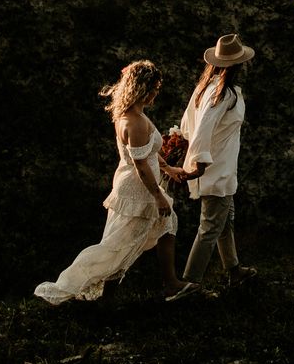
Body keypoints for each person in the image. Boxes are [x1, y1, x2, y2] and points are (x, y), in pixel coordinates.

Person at [34, 59, 190, 304]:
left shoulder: (134, 115)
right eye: (155, 88)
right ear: (144, 89)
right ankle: (69, 287)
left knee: (160, 228)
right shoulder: (134, 122)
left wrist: (168, 168)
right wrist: (158, 195)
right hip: (137, 190)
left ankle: (165, 285)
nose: (156, 93)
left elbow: (148, 152)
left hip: (135, 187)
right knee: (116, 246)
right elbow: (140, 165)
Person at [162, 33, 257, 291]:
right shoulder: (224, 94)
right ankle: (191, 282)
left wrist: (181, 144)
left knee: (226, 219)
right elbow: (202, 128)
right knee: (210, 226)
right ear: (237, 64)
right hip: (216, 169)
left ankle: (234, 269)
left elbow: (187, 123)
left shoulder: (206, 88)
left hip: (222, 168)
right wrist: (200, 163)